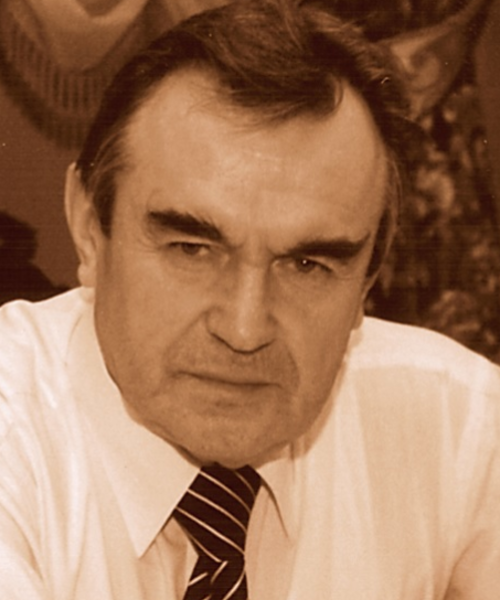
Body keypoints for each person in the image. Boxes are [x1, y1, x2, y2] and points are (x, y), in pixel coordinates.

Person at [0, 0, 499, 598]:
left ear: (369, 278)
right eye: (191, 248)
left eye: (308, 265)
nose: (244, 329)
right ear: (88, 227)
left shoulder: (463, 427)